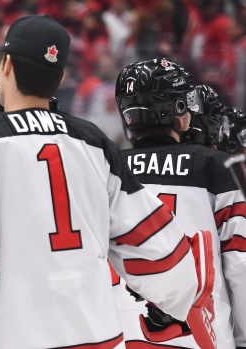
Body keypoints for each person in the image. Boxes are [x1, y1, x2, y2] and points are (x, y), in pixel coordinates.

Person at [0, 16, 212, 349]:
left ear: (6, 65)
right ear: (59, 77)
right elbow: (159, 254)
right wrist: (182, 293)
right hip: (98, 339)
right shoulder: (95, 142)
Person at [113, 60, 246, 349]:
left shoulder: (105, 169)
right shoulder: (216, 166)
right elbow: (240, 262)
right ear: (177, 110)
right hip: (200, 338)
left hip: (126, 335)